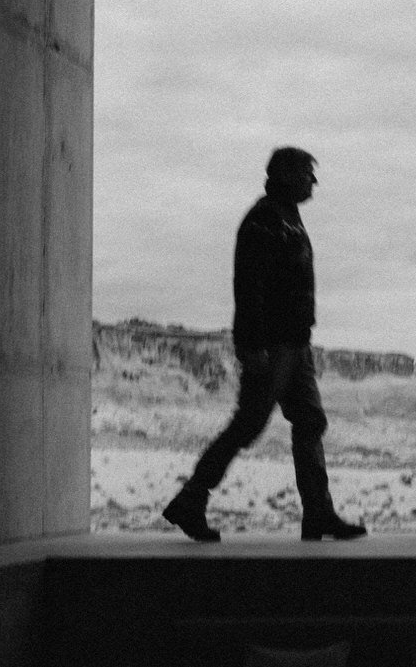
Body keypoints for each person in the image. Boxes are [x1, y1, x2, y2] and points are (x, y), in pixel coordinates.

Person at [162, 147, 366, 542]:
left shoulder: (286, 216)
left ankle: (318, 514)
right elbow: (248, 286)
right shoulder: (264, 220)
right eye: (308, 172)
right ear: (287, 175)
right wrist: (251, 346)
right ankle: (190, 500)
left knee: (308, 421)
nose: (314, 181)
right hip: (273, 347)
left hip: (294, 346)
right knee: (248, 425)